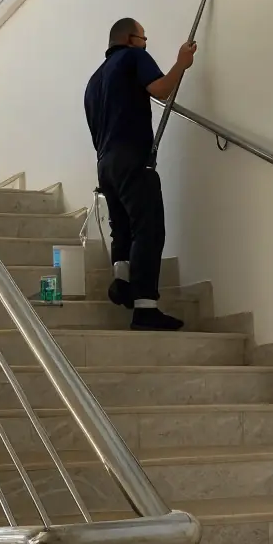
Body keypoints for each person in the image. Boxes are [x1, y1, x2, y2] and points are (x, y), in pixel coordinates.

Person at [83, 18, 197, 331]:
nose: (146, 43)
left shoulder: (93, 82)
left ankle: (121, 280)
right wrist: (181, 64)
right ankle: (146, 308)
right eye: (144, 38)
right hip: (132, 157)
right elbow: (160, 90)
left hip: (105, 163)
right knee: (148, 228)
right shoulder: (134, 57)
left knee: (122, 227)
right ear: (131, 39)